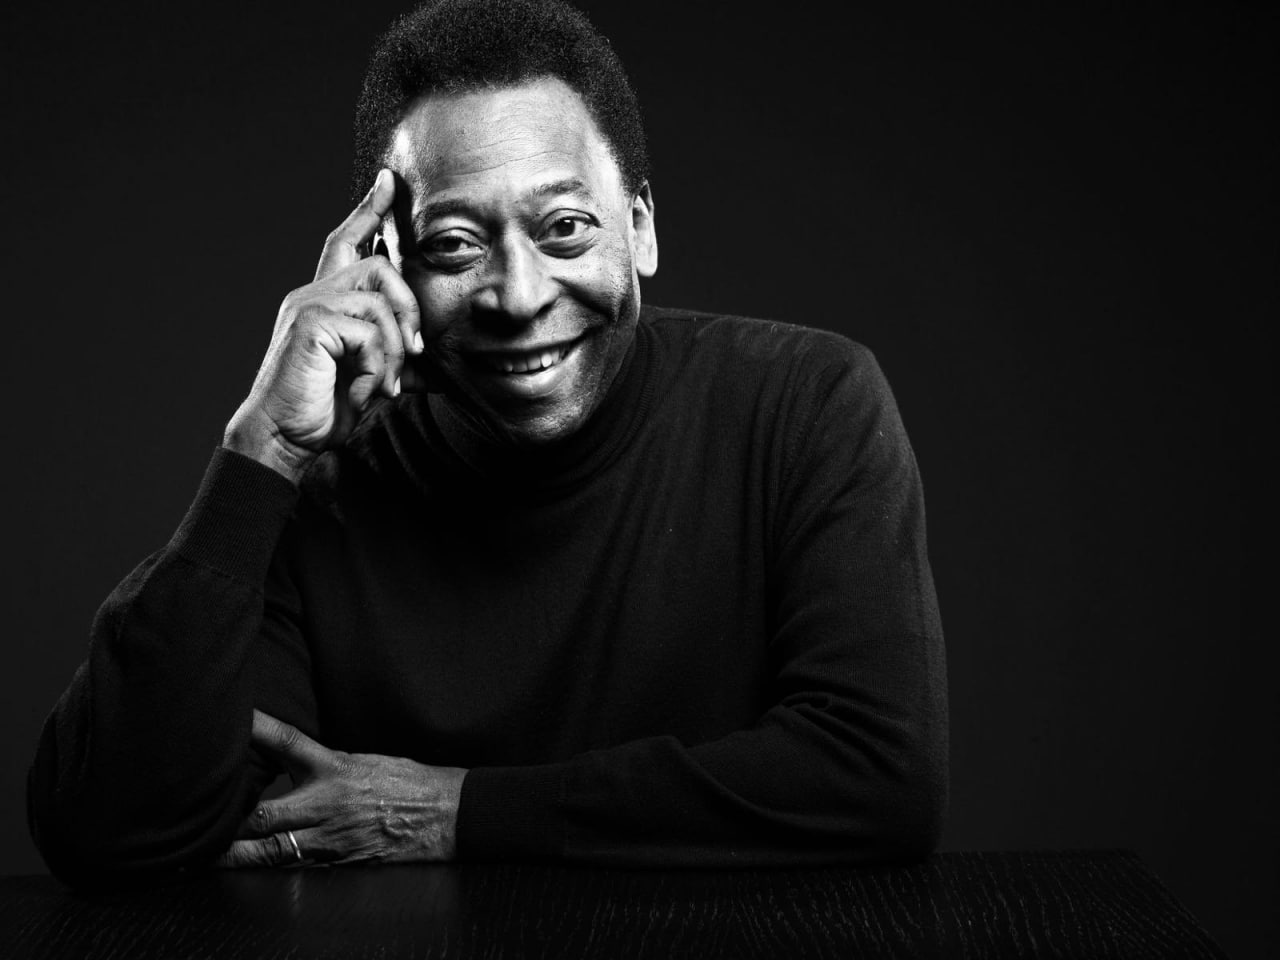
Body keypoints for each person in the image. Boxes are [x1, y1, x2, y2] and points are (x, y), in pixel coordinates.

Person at [28, 0, 948, 883]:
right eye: (456, 245)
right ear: (386, 263)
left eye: (564, 229)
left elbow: (876, 776)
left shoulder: (805, 404)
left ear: (639, 228)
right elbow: (109, 831)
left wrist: (456, 812)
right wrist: (261, 448)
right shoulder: (320, 485)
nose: (518, 295)